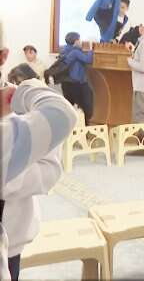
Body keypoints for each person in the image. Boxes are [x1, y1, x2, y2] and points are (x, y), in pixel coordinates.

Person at [1, 46, 77, 281]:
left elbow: (50, 171)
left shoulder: (19, 121)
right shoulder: (15, 126)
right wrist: (28, 90)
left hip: (13, 236)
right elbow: (60, 114)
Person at [59, 32, 94, 125]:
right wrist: (91, 49)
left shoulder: (63, 50)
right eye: (79, 39)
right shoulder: (75, 52)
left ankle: (68, 128)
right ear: (75, 41)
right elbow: (88, 60)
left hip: (65, 83)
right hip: (77, 83)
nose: (80, 41)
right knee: (86, 107)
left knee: (69, 107)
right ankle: (85, 127)